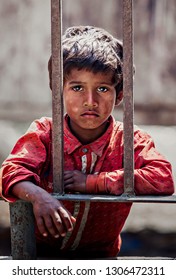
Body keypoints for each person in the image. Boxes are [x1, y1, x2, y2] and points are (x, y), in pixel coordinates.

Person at [0, 26, 174, 259]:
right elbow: (11, 171)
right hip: (39, 258)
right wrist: (39, 196)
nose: (90, 101)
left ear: (119, 95)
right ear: (58, 91)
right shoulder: (45, 133)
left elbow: (162, 178)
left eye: (102, 88)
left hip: (101, 260)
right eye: (77, 87)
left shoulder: (131, 140)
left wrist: (97, 182)